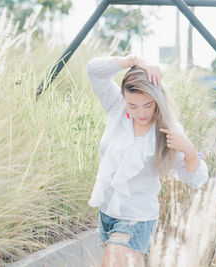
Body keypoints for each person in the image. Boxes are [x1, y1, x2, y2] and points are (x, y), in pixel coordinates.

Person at [86, 54, 209, 267]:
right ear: (123, 98)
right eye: (132, 105)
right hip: (107, 212)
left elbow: (196, 179)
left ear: (157, 99)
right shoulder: (116, 108)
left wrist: (190, 151)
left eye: (148, 105)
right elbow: (93, 70)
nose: (141, 112)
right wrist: (134, 61)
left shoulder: (168, 130)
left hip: (137, 217)